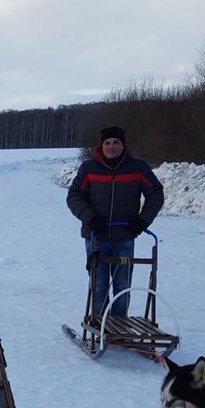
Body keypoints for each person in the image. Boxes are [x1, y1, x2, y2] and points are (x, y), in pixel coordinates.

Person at [66, 125, 164, 319]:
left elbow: (155, 194)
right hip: (96, 236)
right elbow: (74, 197)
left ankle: (118, 326)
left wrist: (142, 221)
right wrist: (91, 218)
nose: (111, 147)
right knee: (99, 285)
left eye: (116, 142)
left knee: (122, 285)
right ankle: (98, 325)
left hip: (125, 236)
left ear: (123, 145)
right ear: (101, 146)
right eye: (107, 143)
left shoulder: (138, 168)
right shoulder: (89, 168)